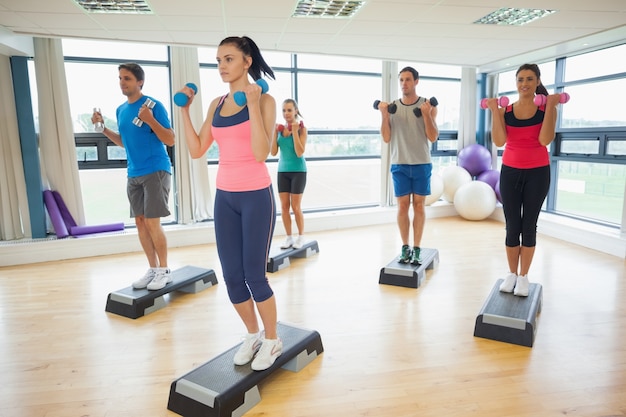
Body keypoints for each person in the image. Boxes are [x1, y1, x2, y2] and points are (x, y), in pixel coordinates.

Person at [177, 36, 282, 371]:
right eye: (219, 60)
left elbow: (260, 153)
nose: (222, 66)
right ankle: (251, 334)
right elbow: (196, 150)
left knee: (255, 275)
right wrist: (184, 110)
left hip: (256, 197)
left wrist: (251, 103)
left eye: (229, 59)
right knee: (232, 277)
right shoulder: (217, 104)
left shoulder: (265, 100)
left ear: (247, 62)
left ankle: (271, 339)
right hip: (225, 198)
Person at [92, 62, 175, 291]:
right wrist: (102, 128)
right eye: (120, 78)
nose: (122, 82)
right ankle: (152, 269)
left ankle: (164, 270)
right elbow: (124, 142)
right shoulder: (121, 110)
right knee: (140, 223)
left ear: (140, 82)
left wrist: (150, 120)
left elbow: (170, 139)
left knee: (151, 222)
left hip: (155, 170)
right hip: (133, 173)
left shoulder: (153, 106)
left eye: (127, 78)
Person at [485, 63, 559, 297]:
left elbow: (545, 139)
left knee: (529, 226)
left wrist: (551, 108)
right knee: (512, 226)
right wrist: (494, 112)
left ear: (537, 82)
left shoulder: (546, 108)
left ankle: (524, 277)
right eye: (520, 79)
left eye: (529, 79)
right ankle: (511, 274)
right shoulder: (506, 111)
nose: (524, 84)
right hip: (510, 172)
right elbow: (498, 141)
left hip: (538, 172)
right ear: (516, 83)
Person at [378, 66, 438, 265]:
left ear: (416, 81)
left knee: (419, 206)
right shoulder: (392, 107)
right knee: (403, 207)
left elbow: (433, 136)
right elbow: (386, 138)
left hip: (421, 163)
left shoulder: (427, 106)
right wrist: (385, 116)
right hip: (399, 164)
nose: (404, 83)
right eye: (401, 80)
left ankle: (417, 248)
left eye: (408, 80)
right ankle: (405, 247)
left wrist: (427, 115)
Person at [271, 99, 308, 249]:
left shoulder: (301, 129)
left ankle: (301, 237)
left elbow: (300, 152)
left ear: (296, 111)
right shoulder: (279, 130)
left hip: (298, 171)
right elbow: (273, 152)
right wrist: (274, 134)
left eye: (289, 110)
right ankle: (289, 238)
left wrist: (294, 132)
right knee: (284, 207)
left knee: (296, 207)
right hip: (282, 171)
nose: (286, 113)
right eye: (284, 111)